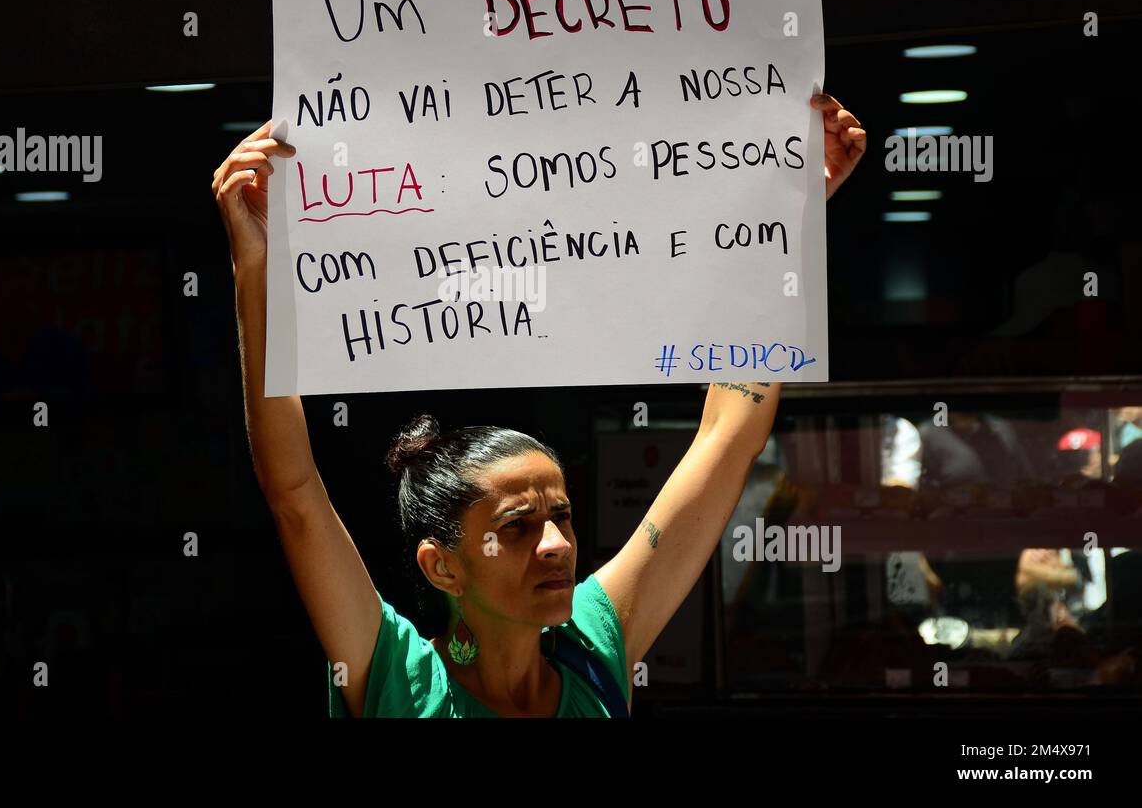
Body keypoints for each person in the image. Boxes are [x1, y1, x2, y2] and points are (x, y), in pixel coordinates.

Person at [211, 92, 866, 717]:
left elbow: (728, 437)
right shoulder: (397, 678)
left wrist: (788, 217)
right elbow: (294, 492)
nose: (557, 544)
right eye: (518, 526)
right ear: (443, 565)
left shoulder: (595, 647)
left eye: (562, 515)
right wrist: (254, 262)